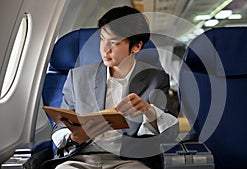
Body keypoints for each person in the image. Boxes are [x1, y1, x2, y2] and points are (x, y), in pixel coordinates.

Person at [50, 5, 178, 169]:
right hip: (81, 158)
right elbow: (58, 128)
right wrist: (72, 136)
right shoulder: (78, 77)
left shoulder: (155, 79)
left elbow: (171, 134)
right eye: (102, 39)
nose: (105, 49)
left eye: (114, 42)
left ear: (136, 46)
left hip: (129, 160)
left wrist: (149, 111)